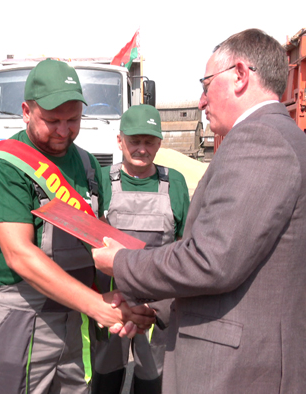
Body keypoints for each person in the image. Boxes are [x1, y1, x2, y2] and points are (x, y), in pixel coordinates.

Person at [93, 29, 306, 393]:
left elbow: (211, 258)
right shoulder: (279, 137)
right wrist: (156, 310)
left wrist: (121, 262)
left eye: (206, 85)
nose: (202, 101)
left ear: (239, 75)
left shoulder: (260, 140)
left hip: (239, 372)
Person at [0, 59, 155, 394]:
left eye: (73, 119)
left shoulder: (87, 163)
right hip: (23, 312)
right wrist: (98, 307)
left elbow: (97, 237)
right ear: (26, 111)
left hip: (77, 313)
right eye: (52, 120)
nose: (63, 130)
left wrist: (124, 299)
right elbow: (20, 255)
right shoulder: (4, 165)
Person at [92, 104, 189, 394]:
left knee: (152, 382)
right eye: (135, 141)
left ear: (160, 143)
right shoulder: (102, 182)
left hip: (156, 311)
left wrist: (158, 309)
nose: (142, 149)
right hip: (113, 307)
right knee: (104, 379)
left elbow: (185, 249)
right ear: (120, 140)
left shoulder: (175, 184)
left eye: (150, 141)